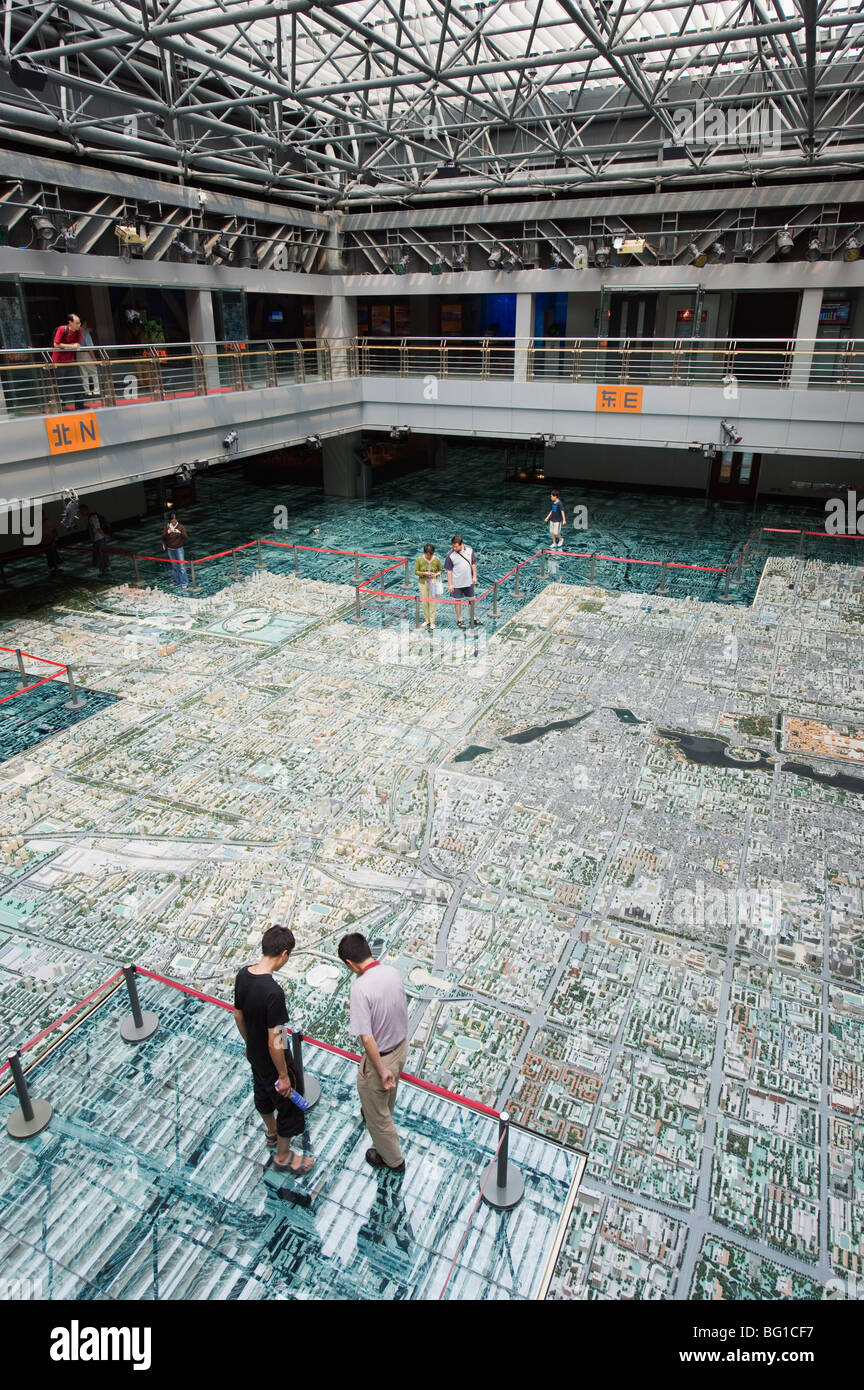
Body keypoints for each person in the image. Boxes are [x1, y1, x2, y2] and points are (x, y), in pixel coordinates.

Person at [233, 925, 313, 1175]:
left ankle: (271, 1132)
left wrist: (250, 1044)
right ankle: (283, 1156)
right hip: (273, 1061)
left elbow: (238, 1015)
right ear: (284, 954)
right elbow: (275, 1040)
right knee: (288, 1106)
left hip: (254, 1055)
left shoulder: (243, 975)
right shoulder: (273, 993)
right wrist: (283, 1075)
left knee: (262, 1095)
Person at [338, 933, 408, 1174]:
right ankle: (378, 1109)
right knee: (386, 1101)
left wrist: (380, 1069)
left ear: (349, 963)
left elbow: (367, 1038)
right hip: (400, 1048)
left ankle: (393, 1160)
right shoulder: (393, 973)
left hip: (382, 1059)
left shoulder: (360, 988)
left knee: (378, 1117)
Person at [444, 534, 481, 629]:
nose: (454, 548)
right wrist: (450, 585)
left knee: (472, 600)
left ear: (461, 544)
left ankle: (473, 617)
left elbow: (473, 563)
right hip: (457, 583)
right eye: (453, 546)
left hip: (468, 581)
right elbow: (449, 571)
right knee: (457, 601)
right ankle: (460, 619)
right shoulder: (449, 555)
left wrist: (474, 577)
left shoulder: (470, 550)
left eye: (456, 546)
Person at [51, 313, 84, 411]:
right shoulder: (62, 329)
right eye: (77, 323)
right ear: (70, 323)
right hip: (58, 361)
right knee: (59, 383)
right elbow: (56, 344)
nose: (79, 325)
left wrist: (75, 345)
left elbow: (78, 343)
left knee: (78, 382)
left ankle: (79, 404)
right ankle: (61, 404)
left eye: (79, 323)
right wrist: (71, 346)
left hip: (70, 361)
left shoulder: (79, 331)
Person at [414, 542, 442, 631]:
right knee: (425, 602)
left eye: (430, 555)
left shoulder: (436, 559)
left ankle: (432, 621)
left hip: (433, 582)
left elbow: (440, 570)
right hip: (423, 583)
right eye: (427, 555)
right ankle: (427, 620)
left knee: (433, 601)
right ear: (424, 553)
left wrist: (436, 574)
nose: (429, 557)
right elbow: (416, 571)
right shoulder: (419, 559)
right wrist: (424, 573)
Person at [81, 504, 110, 578]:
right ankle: (104, 570)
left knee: (101, 555)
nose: (82, 513)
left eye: (82, 511)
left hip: (99, 538)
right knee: (101, 554)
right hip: (98, 538)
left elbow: (97, 528)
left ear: (86, 510)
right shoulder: (91, 517)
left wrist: (104, 535)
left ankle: (104, 571)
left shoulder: (92, 517)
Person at [162, 512, 189, 588]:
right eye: (172, 521)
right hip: (170, 549)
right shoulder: (167, 527)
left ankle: (184, 582)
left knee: (181, 566)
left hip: (179, 549)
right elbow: (163, 537)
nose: (174, 522)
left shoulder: (181, 527)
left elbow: (186, 537)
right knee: (174, 566)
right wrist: (167, 532)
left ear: (177, 520)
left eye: (175, 520)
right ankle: (176, 581)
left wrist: (180, 533)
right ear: (170, 521)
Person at [78, 319, 99, 400]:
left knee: (83, 373)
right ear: (84, 324)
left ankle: (87, 392)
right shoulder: (85, 332)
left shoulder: (76, 332)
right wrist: (94, 358)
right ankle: (96, 391)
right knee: (93, 372)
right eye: (85, 325)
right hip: (86, 354)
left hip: (78, 354)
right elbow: (90, 347)